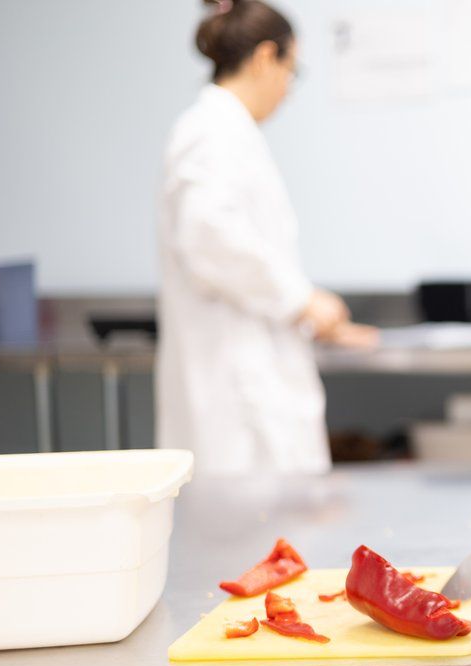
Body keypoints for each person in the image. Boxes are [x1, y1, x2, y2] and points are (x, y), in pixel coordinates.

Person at [156, 0, 376, 475]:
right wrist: (302, 300)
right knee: (246, 533)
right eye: (290, 70)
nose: (288, 89)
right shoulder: (209, 132)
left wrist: (311, 315)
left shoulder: (230, 133)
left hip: (252, 379)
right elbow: (209, 238)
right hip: (235, 395)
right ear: (263, 58)